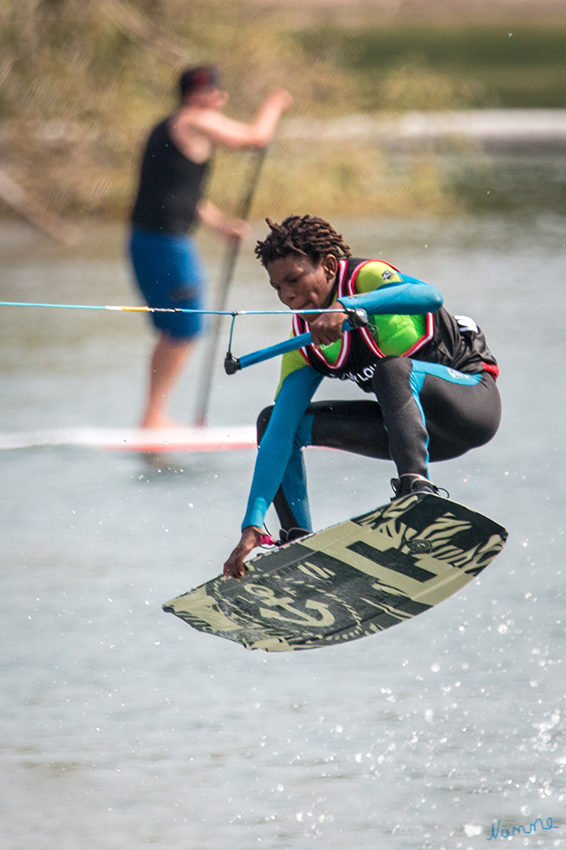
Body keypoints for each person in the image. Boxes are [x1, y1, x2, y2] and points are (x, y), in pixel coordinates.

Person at [223, 214, 501, 579]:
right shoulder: (305, 345)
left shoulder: (366, 277)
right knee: (272, 419)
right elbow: (278, 435)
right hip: (413, 434)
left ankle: (416, 494)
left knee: (391, 369)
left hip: (469, 405)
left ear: (327, 266)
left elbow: (430, 296)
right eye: (278, 287)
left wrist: (346, 308)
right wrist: (252, 523)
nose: (287, 295)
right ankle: (298, 541)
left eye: (294, 280)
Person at [129, 66, 293, 429]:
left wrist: (220, 226)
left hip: (152, 241)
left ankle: (151, 416)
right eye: (216, 93)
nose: (222, 99)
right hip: (164, 244)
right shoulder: (191, 120)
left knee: (174, 329)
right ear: (198, 95)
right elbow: (255, 138)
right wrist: (275, 104)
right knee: (185, 328)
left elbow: (183, 194)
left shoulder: (172, 126)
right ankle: (153, 418)